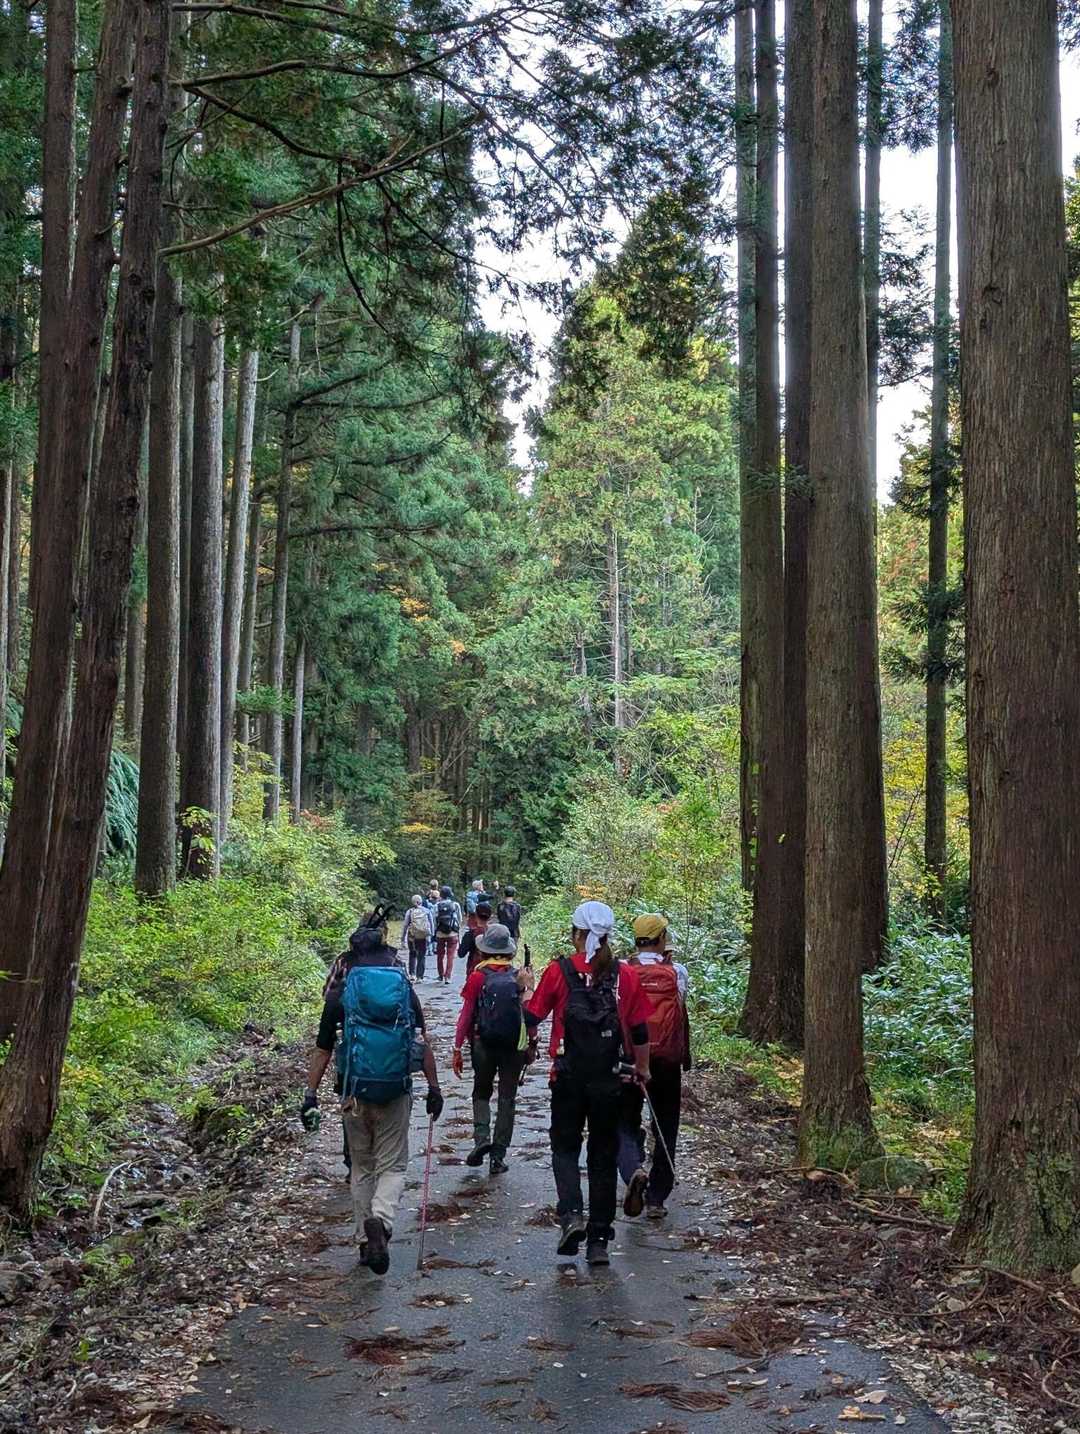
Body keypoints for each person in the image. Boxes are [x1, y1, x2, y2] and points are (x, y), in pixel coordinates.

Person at [301, 918, 444, 1275]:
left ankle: (366, 1240)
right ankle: (381, 1219)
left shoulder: (340, 994)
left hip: (354, 1091)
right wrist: (434, 1087)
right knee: (392, 1165)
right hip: (395, 1089)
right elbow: (420, 1041)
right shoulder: (401, 988)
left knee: (362, 1166)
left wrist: (310, 1094)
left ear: (352, 956)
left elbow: (323, 1050)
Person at [524, 901, 652, 1267]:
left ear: (575, 934)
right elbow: (640, 1029)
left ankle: (571, 1217)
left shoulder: (559, 971)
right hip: (610, 1079)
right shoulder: (624, 975)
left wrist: (525, 990)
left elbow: (532, 1016)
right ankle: (598, 1241)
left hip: (567, 1077)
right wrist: (642, 1068)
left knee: (565, 1149)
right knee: (602, 1156)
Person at [618, 914, 691, 1220]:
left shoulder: (622, 970)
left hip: (630, 1057)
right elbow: (682, 1005)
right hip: (667, 1060)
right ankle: (657, 1198)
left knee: (624, 1120)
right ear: (662, 938)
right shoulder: (677, 972)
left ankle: (633, 1170)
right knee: (666, 1124)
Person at [451, 924, 530, 1176]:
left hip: (483, 1043)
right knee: (507, 1098)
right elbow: (529, 1014)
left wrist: (457, 1047)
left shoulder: (478, 977)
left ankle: (481, 1138)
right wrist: (532, 1043)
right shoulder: (519, 976)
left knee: (481, 1092)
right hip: (513, 1046)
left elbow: (466, 1015)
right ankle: (498, 1156)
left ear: (484, 950)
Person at [433, 885, 463, 984]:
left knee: (440, 955)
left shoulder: (436, 906)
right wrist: (456, 929)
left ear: (441, 895)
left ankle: (440, 975)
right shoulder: (455, 905)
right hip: (452, 933)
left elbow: (434, 920)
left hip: (440, 933)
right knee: (450, 955)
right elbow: (459, 919)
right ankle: (448, 977)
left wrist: (435, 931)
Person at [401, 894, 433, 981]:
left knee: (412, 954)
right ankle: (420, 977)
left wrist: (402, 939)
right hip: (423, 936)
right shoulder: (427, 911)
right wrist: (430, 936)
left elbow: (405, 925)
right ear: (421, 901)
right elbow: (431, 924)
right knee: (422, 956)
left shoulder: (410, 911)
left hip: (412, 936)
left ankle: (412, 974)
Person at [458, 900, 493, 977]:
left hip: (474, 971)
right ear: (490, 917)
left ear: (476, 915)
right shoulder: (495, 933)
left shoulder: (470, 934)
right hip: (492, 972)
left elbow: (461, 953)